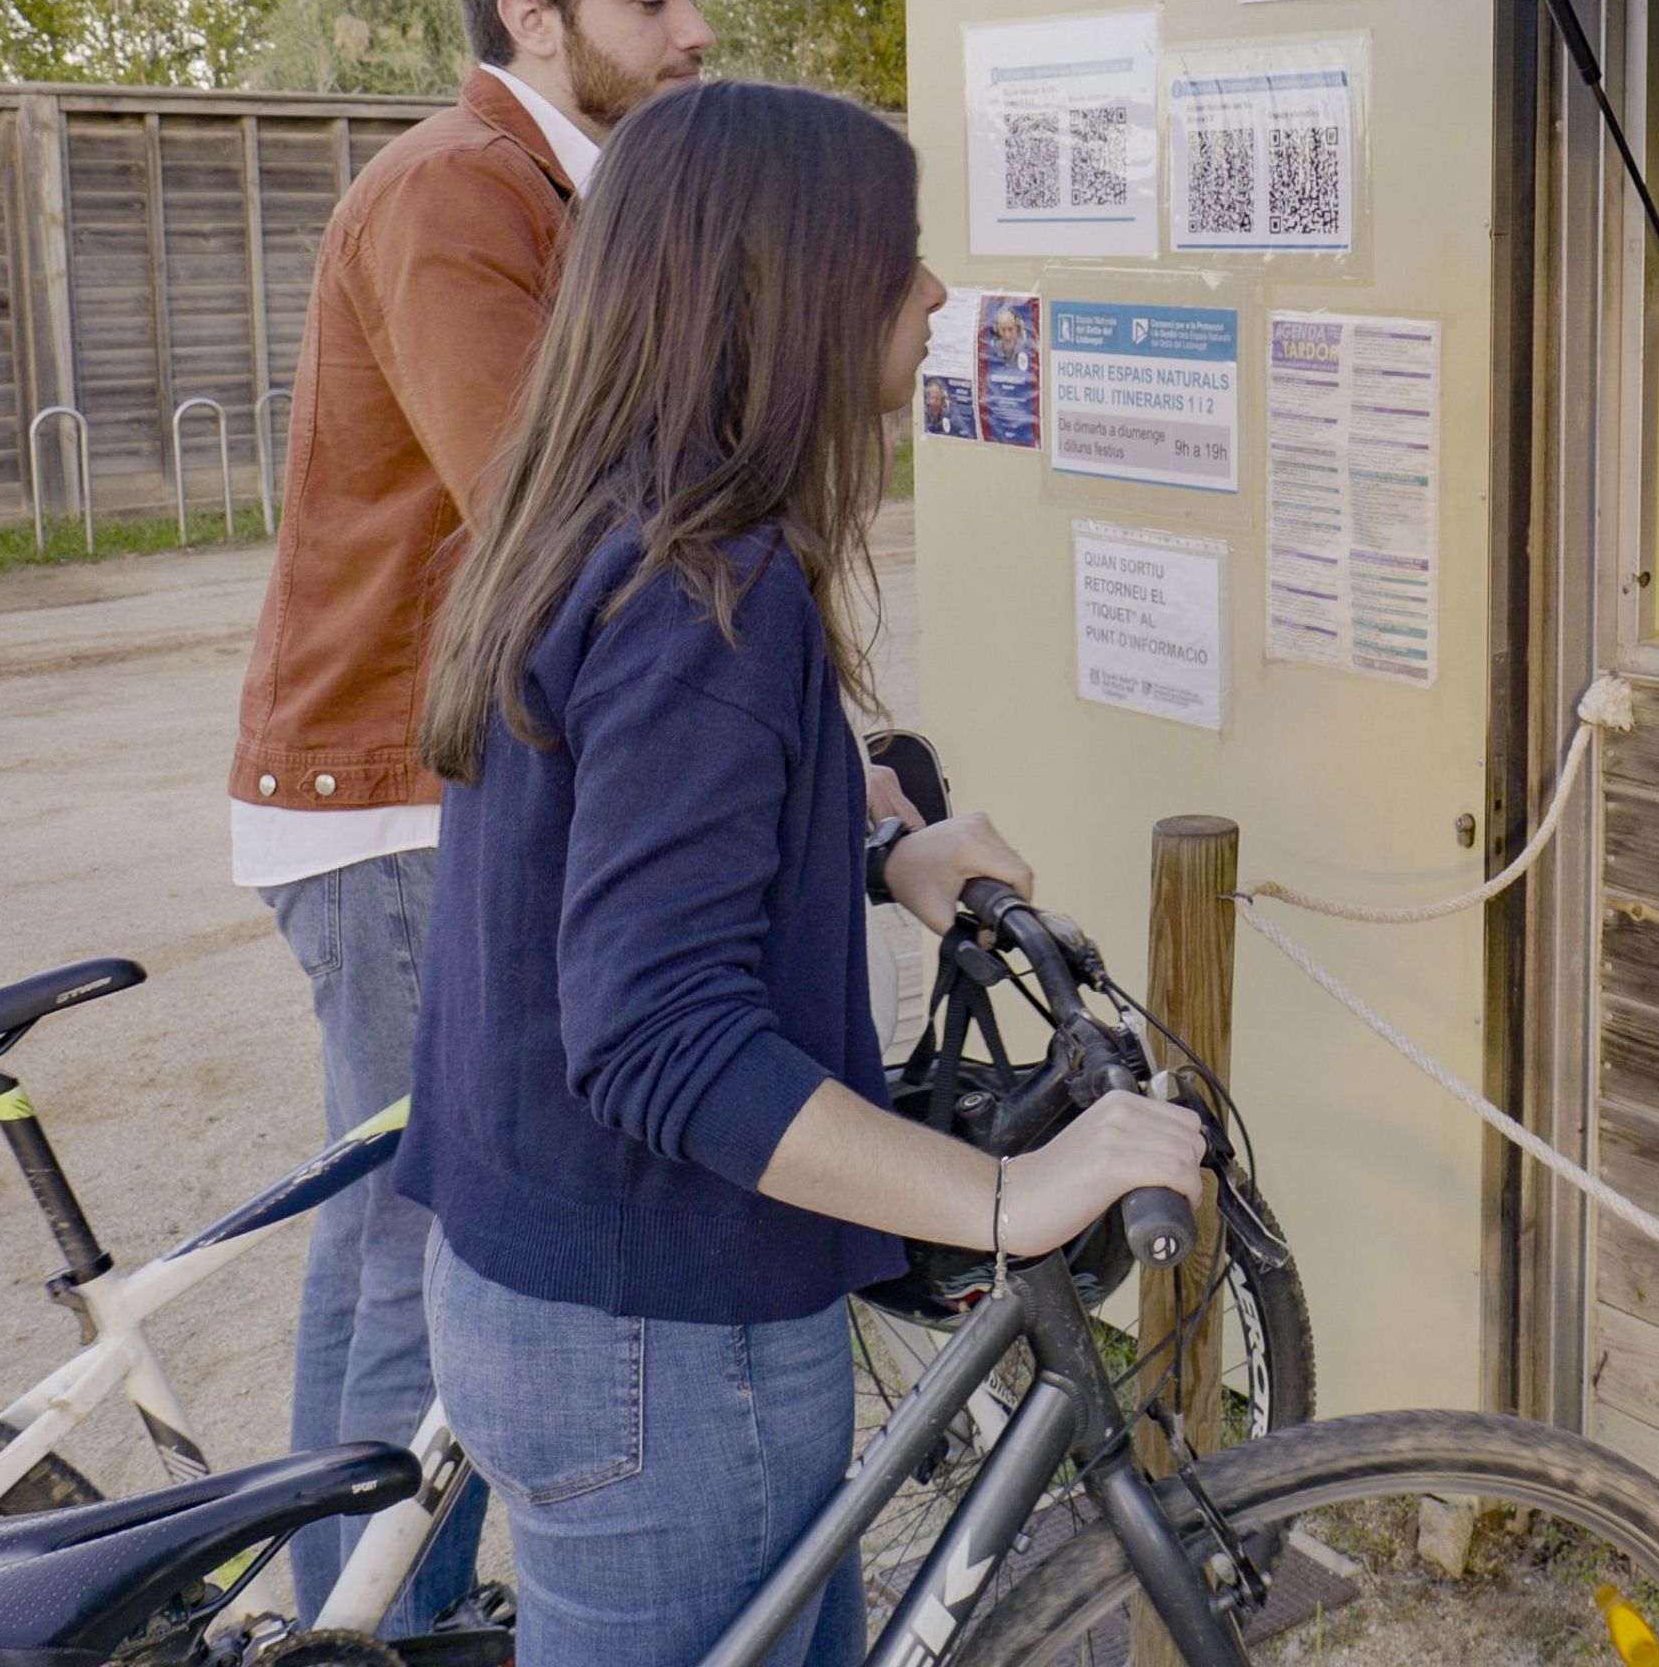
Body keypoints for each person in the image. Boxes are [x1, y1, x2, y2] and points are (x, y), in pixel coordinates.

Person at [400, 80, 1205, 1667]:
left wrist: (877, 845)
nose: (937, 291)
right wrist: (1011, 1196)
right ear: (787, 288)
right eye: (898, 257)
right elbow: (659, 1036)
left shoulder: (584, 524)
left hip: (538, 1280)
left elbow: (622, 835)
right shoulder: (714, 591)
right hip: (664, 1348)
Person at [225, 0, 719, 1629]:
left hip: (445, 785)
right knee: (423, 1242)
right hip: (398, 797)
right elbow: (551, 506)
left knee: (407, 1230)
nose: (692, 31)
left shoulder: (562, 194)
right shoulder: (458, 192)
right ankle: (375, 1626)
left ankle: (360, 1612)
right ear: (534, 14)